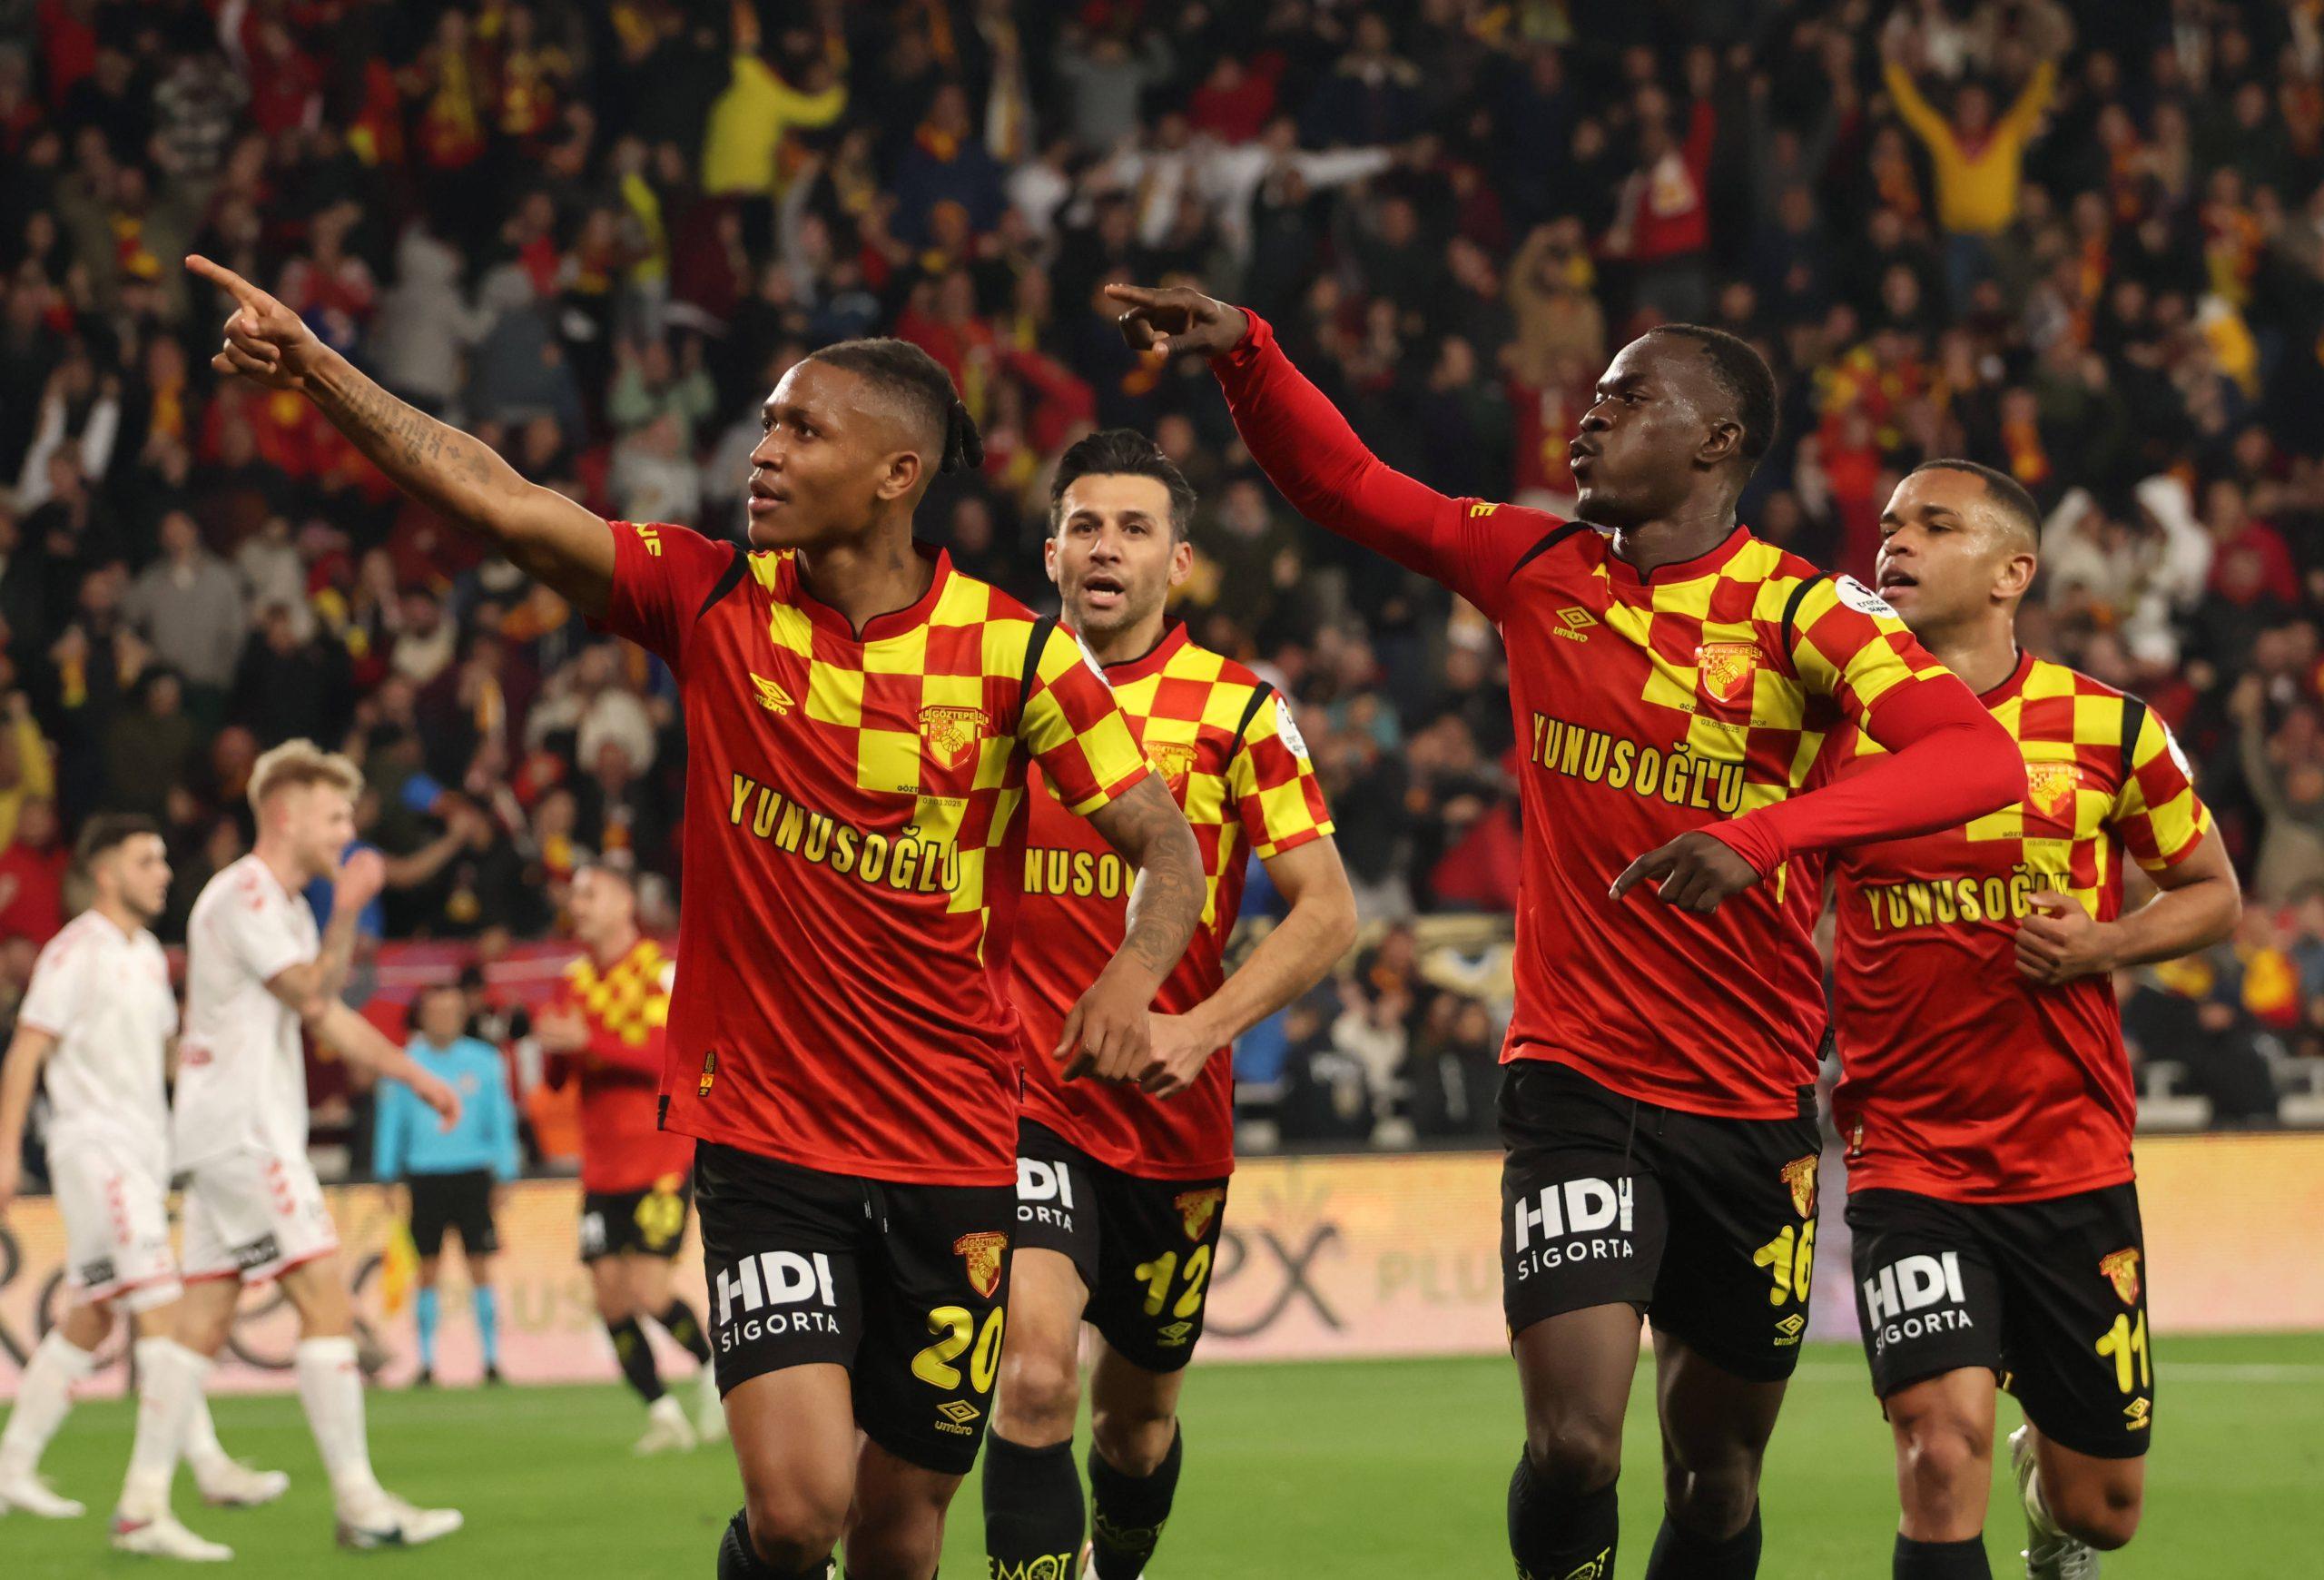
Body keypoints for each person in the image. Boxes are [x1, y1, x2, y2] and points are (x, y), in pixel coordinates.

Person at [186, 253, 1206, 1580]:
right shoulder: (712, 597)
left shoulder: (1014, 652)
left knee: (899, 1540)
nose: (761, 451)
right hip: (766, 1140)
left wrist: (1133, 974)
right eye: (767, 423)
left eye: (800, 429)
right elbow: (498, 497)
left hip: (955, 1149)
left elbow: (1165, 846)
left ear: (899, 474)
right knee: (795, 1515)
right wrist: (319, 365)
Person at [1107, 281, 2024, 1580]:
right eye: (1593, 399)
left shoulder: (1807, 617)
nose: (1587, 423)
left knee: (1714, 1480)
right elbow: (1355, 487)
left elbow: (1979, 763)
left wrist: (1763, 835)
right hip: (1577, 1076)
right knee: (1578, 1446)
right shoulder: (1539, 568)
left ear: (1715, 442)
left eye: (1628, 400)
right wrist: (1249, 356)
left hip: (1752, 1104)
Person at [1825, 460, 2241, 1580]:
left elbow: (2213, 891)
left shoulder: (2108, 727)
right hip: (1906, 1155)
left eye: (1933, 524)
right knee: (1935, 1446)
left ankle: (2054, 1521)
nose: (1894, 542)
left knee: (2103, 1508)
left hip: (2068, 1156)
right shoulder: (1830, 727)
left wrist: (2107, 943)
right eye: (1890, 524)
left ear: (2015, 571)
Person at [982, 431, 1357, 1580]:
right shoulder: (991, 686)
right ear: (1050, 554)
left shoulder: (1240, 712)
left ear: (1177, 563)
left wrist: (1201, 1029)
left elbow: (1326, 912)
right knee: (1036, 1374)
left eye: (1134, 528)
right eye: (1085, 525)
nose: (1108, 547)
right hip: (1017, 1096)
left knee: (1133, 1429)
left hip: (1169, 1125)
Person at [143, 739, 466, 1552]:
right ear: (284, 815)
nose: (346, 837)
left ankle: (142, 1504)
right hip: (246, 1134)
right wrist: (351, 909)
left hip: (230, 1133)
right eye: (333, 819)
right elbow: (314, 994)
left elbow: (325, 1016)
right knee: (325, 1300)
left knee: (205, 1319)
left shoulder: (279, 906)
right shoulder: (246, 894)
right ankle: (361, 1505)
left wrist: (412, 1076)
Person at [0, 815, 286, 1558]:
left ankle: (9, 1467)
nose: (163, 871)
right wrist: (4, 1154)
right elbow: (26, 1050)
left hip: (141, 1153)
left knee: (94, 1316)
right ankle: (167, 1494)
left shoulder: (151, 959)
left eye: (163, 858)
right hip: (94, 1150)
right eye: (147, 860)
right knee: (164, 1312)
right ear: (106, 873)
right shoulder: (75, 951)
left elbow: (168, 1057)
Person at [535, 861, 718, 1454]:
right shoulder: (573, 982)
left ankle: (714, 1366)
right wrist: (555, 1047)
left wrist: (587, 1042)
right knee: (609, 1299)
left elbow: (671, 1061)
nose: (578, 903)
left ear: (624, 902)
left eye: (591, 893)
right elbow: (558, 1079)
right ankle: (664, 1413)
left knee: (648, 1291)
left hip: (662, 1159)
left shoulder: (661, 973)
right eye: (575, 894)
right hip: (602, 1166)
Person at [375, 980, 521, 1388]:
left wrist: (505, 1173)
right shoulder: (405, 1063)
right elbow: (391, 1125)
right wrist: (386, 1175)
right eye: (436, 1012)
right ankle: (425, 1362)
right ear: (423, 1016)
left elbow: (502, 1120)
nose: (444, 1019)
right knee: (426, 1269)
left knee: (480, 1265)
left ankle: (491, 1361)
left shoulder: (485, 1060)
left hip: (473, 1172)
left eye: (452, 1011)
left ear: (463, 1015)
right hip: (424, 1174)